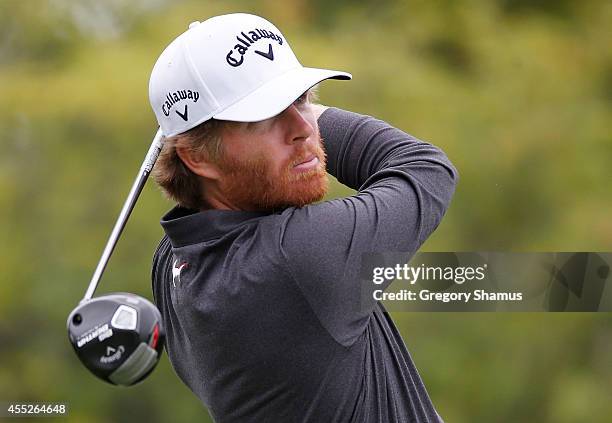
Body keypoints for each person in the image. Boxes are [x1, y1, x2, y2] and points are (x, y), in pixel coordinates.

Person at [148, 13, 457, 423]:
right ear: (198, 157)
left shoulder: (173, 261)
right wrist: (309, 107)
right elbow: (425, 169)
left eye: (302, 99)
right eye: (264, 116)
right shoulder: (294, 258)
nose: (303, 128)